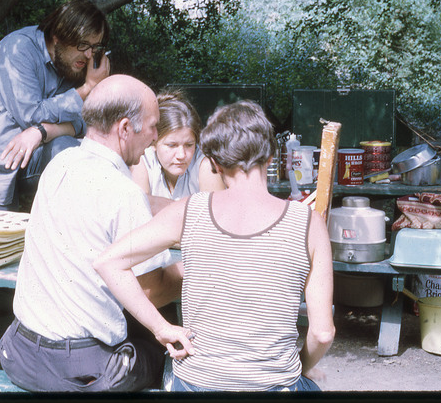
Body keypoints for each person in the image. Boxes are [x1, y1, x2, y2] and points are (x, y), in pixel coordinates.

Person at [95, 100, 335, 392]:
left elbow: (107, 261)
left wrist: (161, 329)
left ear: (215, 163)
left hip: (196, 384)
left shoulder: (187, 211)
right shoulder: (309, 223)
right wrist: (303, 367)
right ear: (271, 157)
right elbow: (322, 333)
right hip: (276, 385)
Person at [0, 74, 183, 392]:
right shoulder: (123, 192)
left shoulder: (59, 163)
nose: (155, 136)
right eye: (153, 126)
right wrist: (204, 260)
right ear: (125, 128)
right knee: (169, 353)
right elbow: (151, 292)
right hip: (81, 372)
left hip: (20, 354)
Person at [0, 0, 111, 210]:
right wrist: (87, 88)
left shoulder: (76, 64)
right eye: (82, 44)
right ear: (57, 36)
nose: (89, 55)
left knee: (72, 152)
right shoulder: (17, 50)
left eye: (94, 46)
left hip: (28, 160)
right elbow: (32, 115)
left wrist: (43, 132)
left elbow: (90, 122)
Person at [131, 89, 225, 214]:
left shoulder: (206, 165)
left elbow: (214, 219)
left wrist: (154, 203)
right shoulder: (142, 160)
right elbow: (137, 214)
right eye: (172, 145)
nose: (181, 155)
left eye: (189, 145)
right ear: (153, 142)